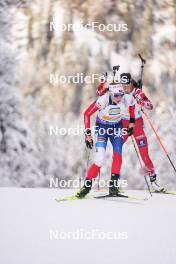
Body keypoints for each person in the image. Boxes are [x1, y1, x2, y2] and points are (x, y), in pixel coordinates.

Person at [76, 82, 135, 198]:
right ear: (110, 93)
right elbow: (87, 114)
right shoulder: (103, 100)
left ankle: (113, 187)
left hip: (117, 127)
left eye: (121, 94)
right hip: (102, 128)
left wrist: (132, 123)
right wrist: (88, 135)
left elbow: (132, 106)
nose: (119, 98)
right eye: (116, 95)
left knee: (118, 156)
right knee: (99, 160)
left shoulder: (126, 99)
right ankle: (86, 187)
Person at [120, 73, 164, 191]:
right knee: (117, 148)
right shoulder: (119, 91)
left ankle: (153, 180)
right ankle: (114, 181)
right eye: (122, 85)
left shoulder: (137, 92)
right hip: (123, 124)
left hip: (137, 125)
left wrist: (141, 102)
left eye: (127, 85)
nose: (124, 88)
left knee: (144, 153)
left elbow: (150, 106)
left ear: (131, 83)